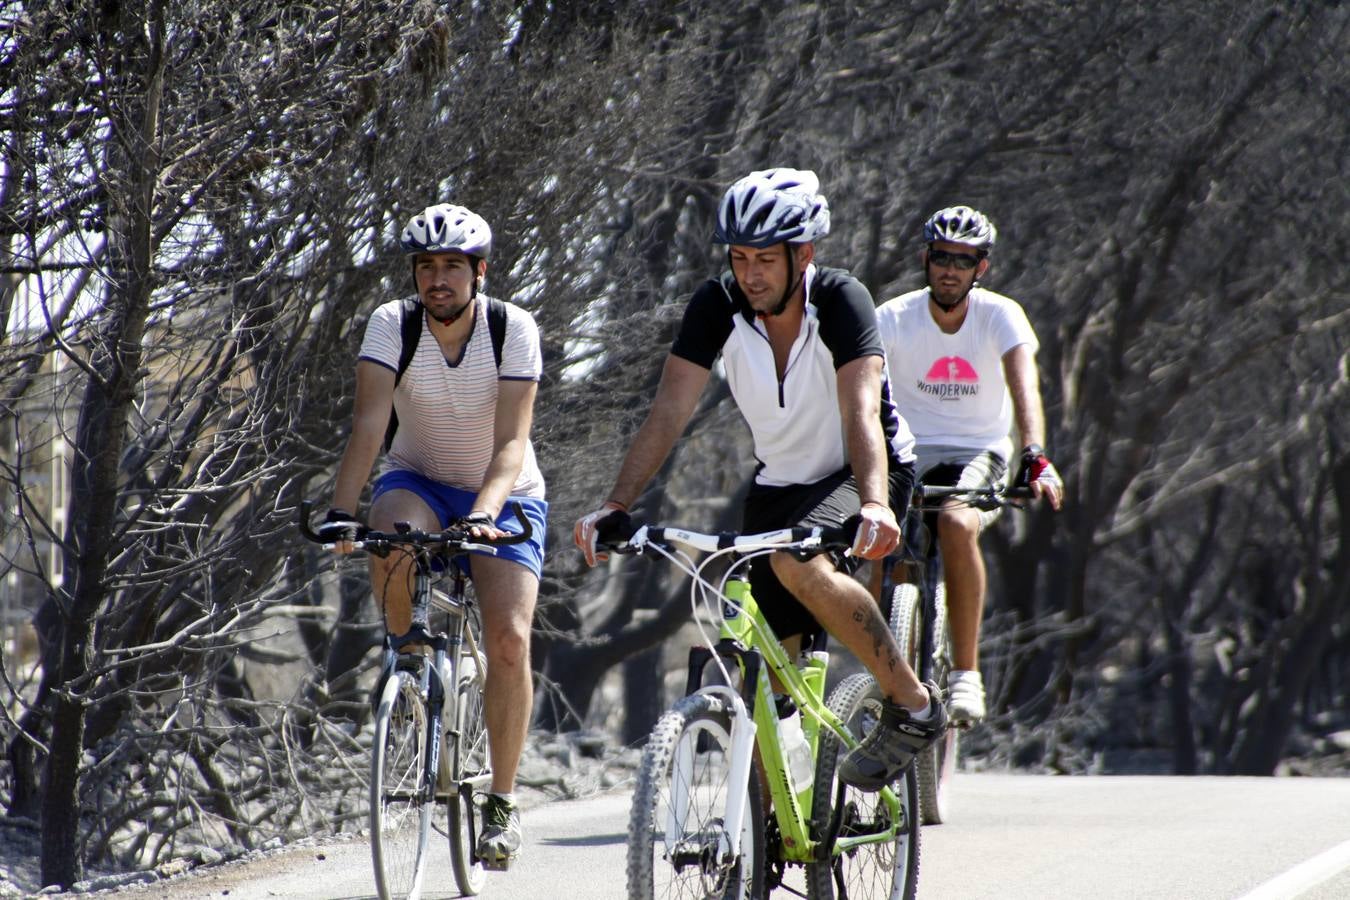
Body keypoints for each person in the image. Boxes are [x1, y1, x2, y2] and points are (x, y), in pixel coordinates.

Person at [574, 168, 947, 792]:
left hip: (863, 471)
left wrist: (877, 504)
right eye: (740, 257)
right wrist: (616, 504)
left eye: (765, 259)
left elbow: (861, 412)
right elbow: (668, 411)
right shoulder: (717, 306)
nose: (750, 274)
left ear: (803, 254)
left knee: (797, 569)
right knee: (767, 678)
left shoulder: (841, 300)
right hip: (779, 485)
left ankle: (913, 706)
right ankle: (770, 828)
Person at [319, 203, 546, 870]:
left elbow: (511, 443)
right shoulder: (394, 324)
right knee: (389, 542)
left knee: (508, 640)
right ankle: (411, 666)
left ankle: (501, 804)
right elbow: (369, 425)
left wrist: (483, 513)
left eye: (451, 266)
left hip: (503, 490)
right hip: (417, 477)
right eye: (425, 266)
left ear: (479, 272)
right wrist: (342, 511)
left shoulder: (512, 329)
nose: (437, 279)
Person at [875, 205, 1063, 725]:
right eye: (941, 257)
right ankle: (876, 670)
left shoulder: (1000, 314)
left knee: (957, 523)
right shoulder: (891, 317)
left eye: (963, 260)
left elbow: (1024, 382)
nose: (949, 270)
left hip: (980, 449)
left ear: (981, 267)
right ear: (925, 259)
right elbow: (860, 384)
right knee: (871, 528)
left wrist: (1035, 455)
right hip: (908, 449)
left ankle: (965, 676)